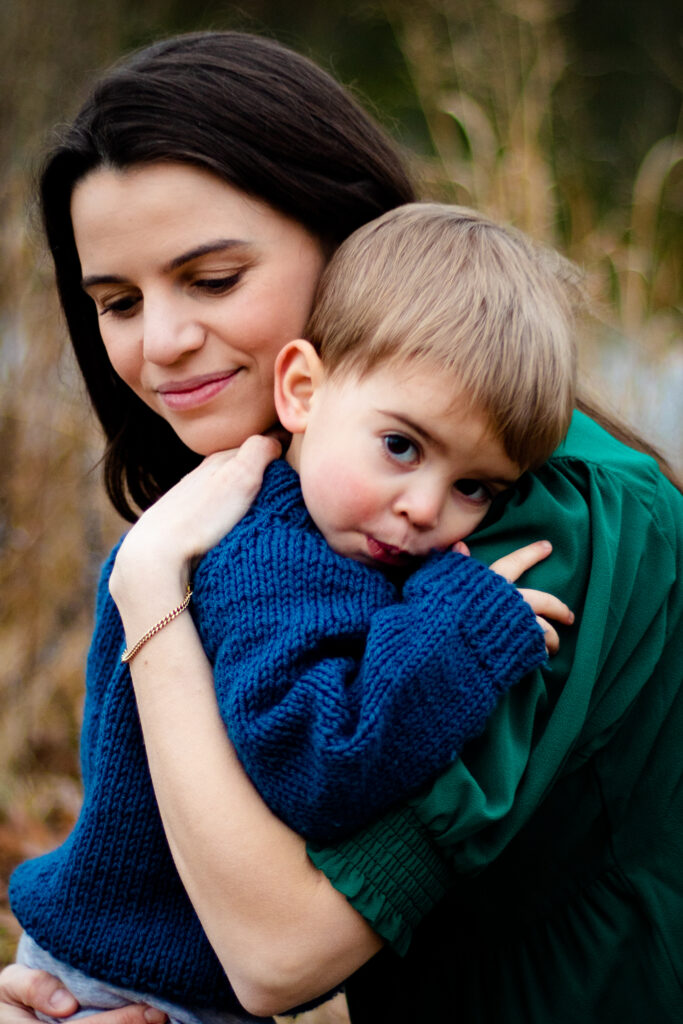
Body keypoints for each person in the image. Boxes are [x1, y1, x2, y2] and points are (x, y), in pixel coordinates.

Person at [2, 28, 681, 1024]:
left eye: (212, 278)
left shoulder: (531, 520)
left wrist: (149, 592)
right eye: (116, 301)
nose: (160, 345)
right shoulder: (305, 512)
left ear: (351, 239)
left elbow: (278, 954)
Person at [9, 200, 578, 1020]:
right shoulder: (271, 561)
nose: (423, 508)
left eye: (473, 488)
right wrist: (461, 638)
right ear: (302, 389)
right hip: (134, 988)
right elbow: (320, 763)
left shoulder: (325, 539)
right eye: (401, 447)